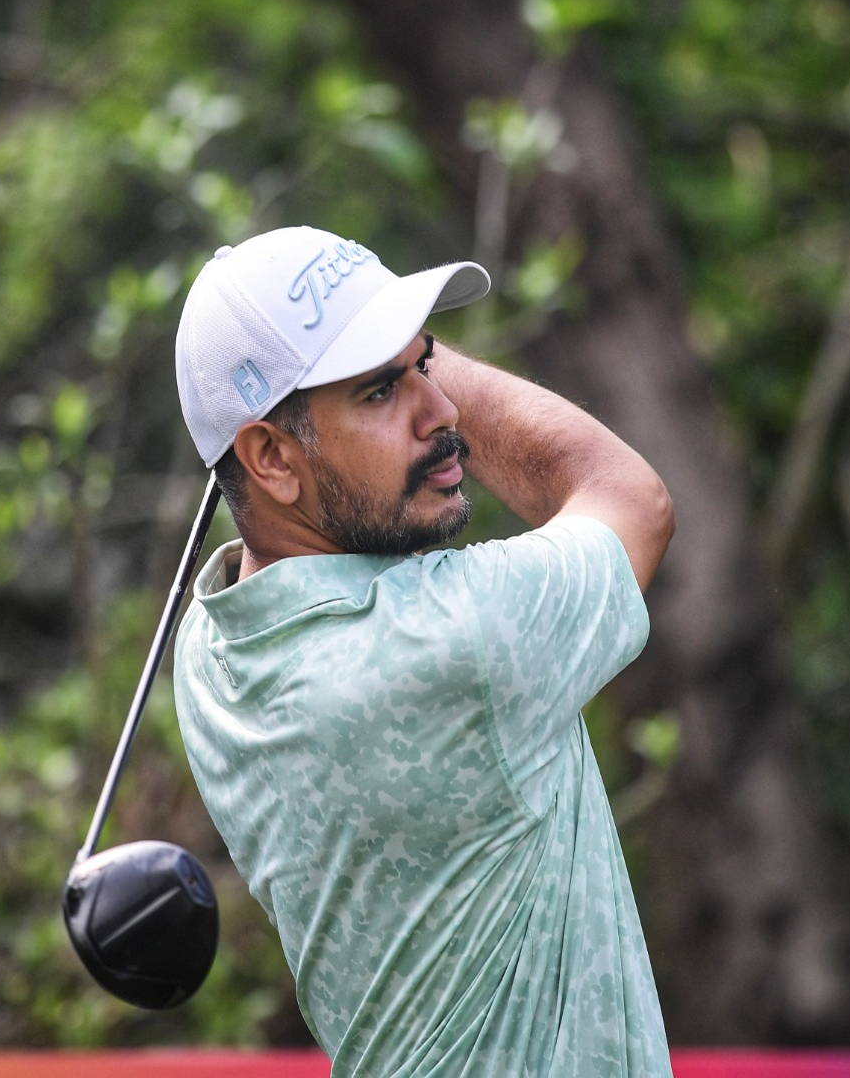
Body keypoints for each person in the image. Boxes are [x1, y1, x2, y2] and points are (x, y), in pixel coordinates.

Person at [171, 225, 675, 1076]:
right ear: (269, 458)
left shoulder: (209, 647)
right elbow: (630, 495)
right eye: (378, 392)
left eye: (426, 362)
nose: (443, 411)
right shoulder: (446, 647)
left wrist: (379, 345)